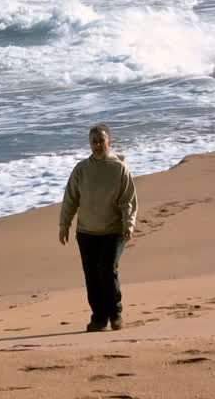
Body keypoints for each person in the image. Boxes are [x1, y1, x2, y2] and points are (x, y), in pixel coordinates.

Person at [58, 123, 138, 332]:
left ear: (109, 141)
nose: (97, 145)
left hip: (113, 231)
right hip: (86, 232)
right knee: (91, 275)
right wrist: (64, 225)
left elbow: (128, 200)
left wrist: (128, 224)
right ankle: (99, 318)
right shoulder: (81, 169)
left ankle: (116, 313)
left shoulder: (119, 168)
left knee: (107, 269)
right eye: (93, 141)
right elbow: (70, 199)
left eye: (100, 140)